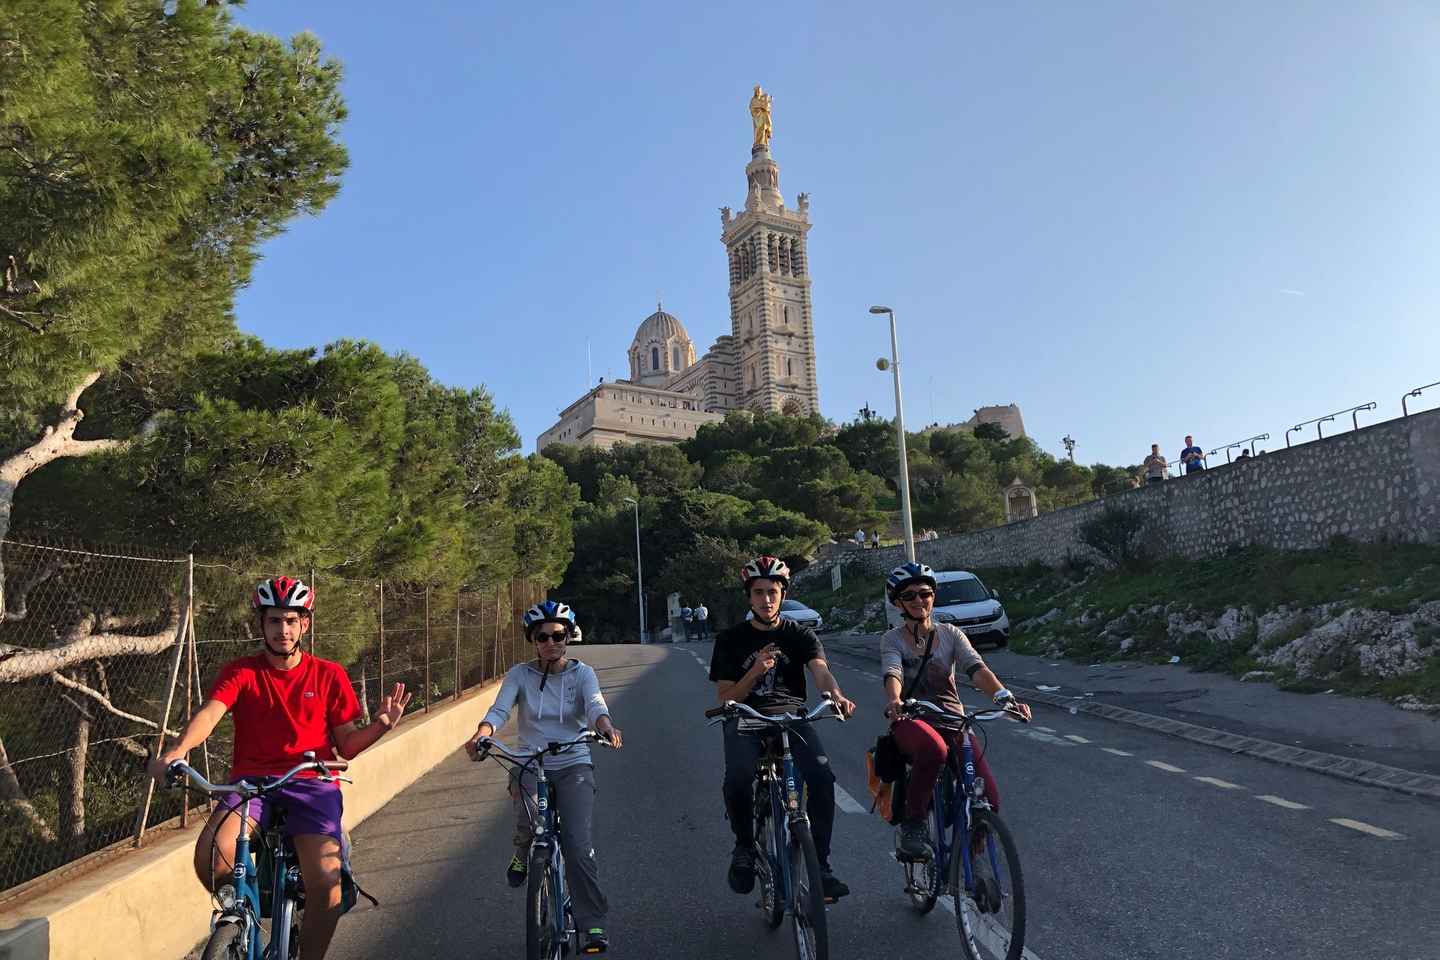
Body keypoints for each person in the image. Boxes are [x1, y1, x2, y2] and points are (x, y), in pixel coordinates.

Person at [147, 577, 412, 960]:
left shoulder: (328, 674)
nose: (283, 629)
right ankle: (245, 913)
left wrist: (381, 725)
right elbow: (210, 714)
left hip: (311, 783)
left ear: (304, 624)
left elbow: (347, 745)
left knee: (326, 887)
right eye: (274, 621)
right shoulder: (242, 672)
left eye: (291, 620)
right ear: (262, 625)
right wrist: (177, 751)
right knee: (211, 854)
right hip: (251, 785)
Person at [464, 600, 623, 955]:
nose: (551, 642)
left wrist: (605, 725)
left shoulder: (583, 674)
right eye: (542, 636)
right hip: (530, 762)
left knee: (578, 847)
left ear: (569, 637)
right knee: (529, 823)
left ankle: (592, 922)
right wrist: (483, 732)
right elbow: (500, 708)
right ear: (532, 640)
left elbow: (595, 704)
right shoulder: (520, 674)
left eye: (559, 635)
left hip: (573, 762)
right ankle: (523, 854)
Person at [709, 556, 857, 902]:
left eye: (772, 592)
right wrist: (755, 671)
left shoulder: (799, 635)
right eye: (758, 592)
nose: (766, 599)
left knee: (822, 778)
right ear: (749, 597)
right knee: (738, 778)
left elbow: (820, 670)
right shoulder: (730, 639)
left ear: (783, 593)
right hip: (745, 715)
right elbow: (727, 696)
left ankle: (821, 865)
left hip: (791, 716)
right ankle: (745, 846)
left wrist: (835, 694)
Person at [880, 562, 1032, 862]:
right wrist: (895, 701)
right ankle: (914, 825)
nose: (919, 601)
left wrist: (1004, 697)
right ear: (898, 603)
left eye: (925, 593)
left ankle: (971, 864)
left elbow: (976, 669)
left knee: (989, 798)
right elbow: (893, 671)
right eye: (909, 596)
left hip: (953, 720)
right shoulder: (892, 639)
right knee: (933, 751)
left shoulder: (951, 634)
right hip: (911, 719)